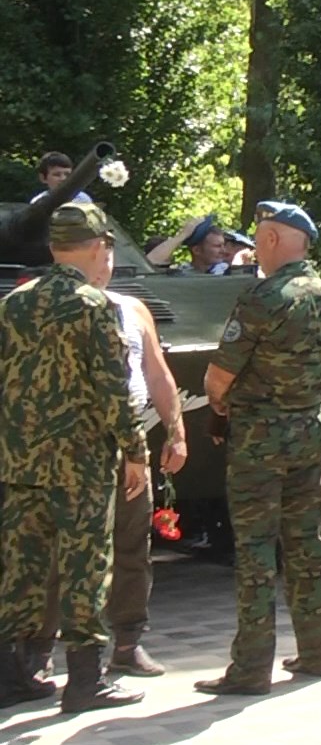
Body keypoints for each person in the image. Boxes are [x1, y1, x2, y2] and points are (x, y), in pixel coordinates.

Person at [0, 203, 148, 714]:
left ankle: (11, 676)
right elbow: (114, 391)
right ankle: (86, 682)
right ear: (98, 247)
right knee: (86, 566)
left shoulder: (13, 304)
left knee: (21, 568)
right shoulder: (95, 306)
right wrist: (136, 452)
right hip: (80, 466)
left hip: (20, 463)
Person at [195, 201, 321, 695]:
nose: (254, 245)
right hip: (309, 431)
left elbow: (219, 378)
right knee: (308, 542)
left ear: (276, 239)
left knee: (257, 550)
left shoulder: (265, 296)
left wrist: (220, 403)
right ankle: (319, 653)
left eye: (259, 236)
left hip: (260, 439)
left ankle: (251, 668)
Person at [25, 274, 189, 681]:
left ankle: (127, 643)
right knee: (52, 549)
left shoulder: (132, 309)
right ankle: (38, 649)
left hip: (127, 444)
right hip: (64, 448)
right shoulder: (36, 305)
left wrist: (176, 430)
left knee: (131, 545)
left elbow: (157, 373)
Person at [148, 215, 232, 274]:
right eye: (217, 246)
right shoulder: (181, 273)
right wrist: (182, 235)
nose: (223, 250)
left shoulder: (229, 272)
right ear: (197, 250)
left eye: (223, 245)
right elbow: (150, 263)